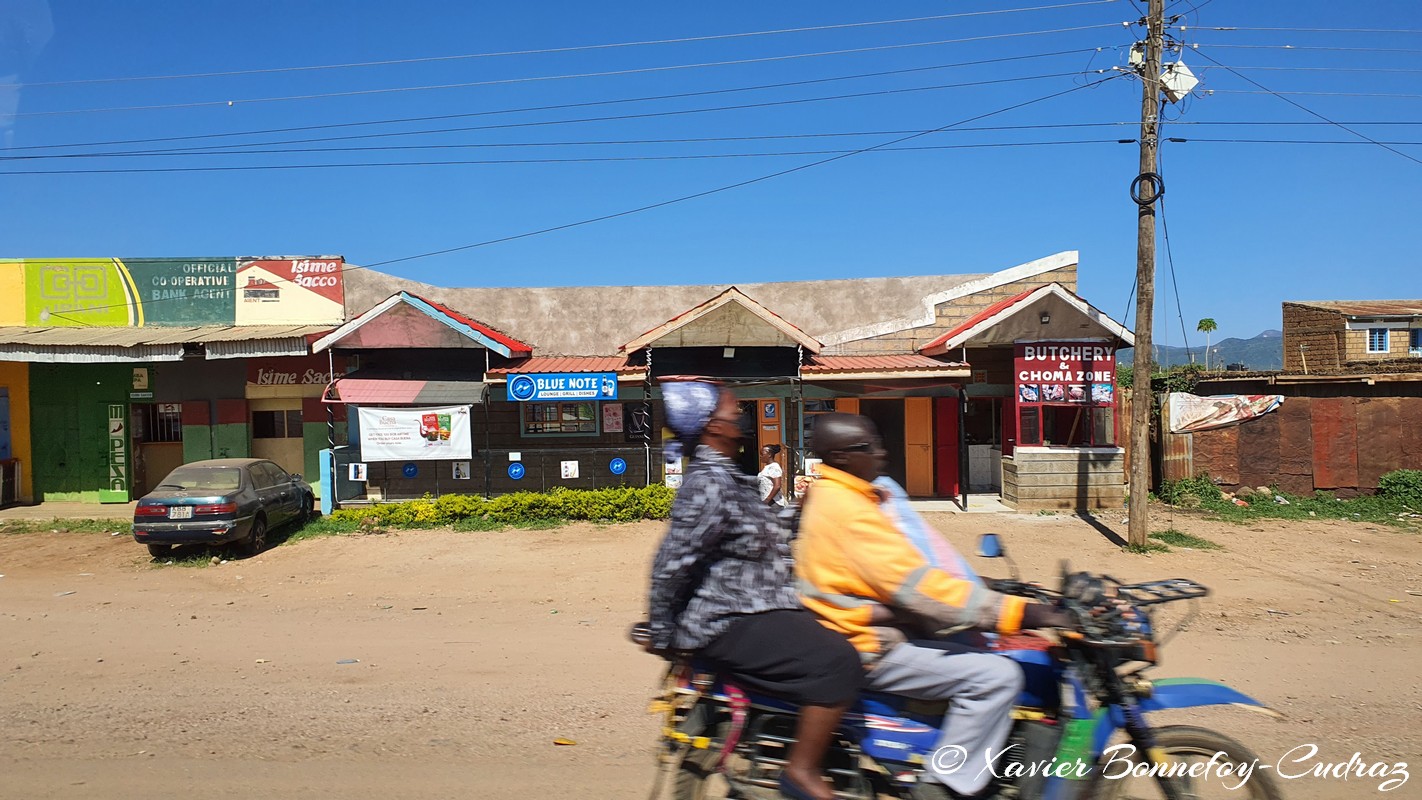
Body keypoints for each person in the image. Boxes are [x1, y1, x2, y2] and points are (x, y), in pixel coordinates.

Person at [796, 413, 1071, 800]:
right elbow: (922, 589)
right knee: (997, 676)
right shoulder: (851, 511)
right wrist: (1027, 613)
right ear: (840, 456)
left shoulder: (840, 493)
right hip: (866, 643)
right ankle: (948, 785)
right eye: (868, 447)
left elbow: (917, 562)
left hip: (857, 629)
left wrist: (990, 586)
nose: (882, 453)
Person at [645, 381, 862, 800]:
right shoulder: (707, 483)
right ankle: (801, 771)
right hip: (729, 618)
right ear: (713, 428)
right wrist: (662, 633)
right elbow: (670, 563)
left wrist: (807, 510)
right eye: (734, 411)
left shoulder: (729, 478)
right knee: (837, 661)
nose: (741, 416)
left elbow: (763, 533)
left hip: (765, 606)